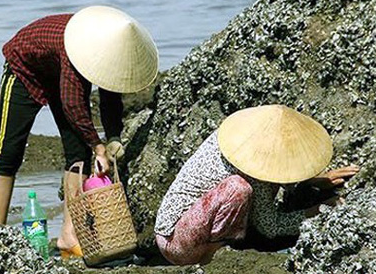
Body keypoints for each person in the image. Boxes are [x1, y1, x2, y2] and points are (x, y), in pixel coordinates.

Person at [0, 5, 158, 258]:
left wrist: (113, 138)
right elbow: (72, 105)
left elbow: (110, 100)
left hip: (55, 70)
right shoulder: (77, 47)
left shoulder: (107, 53)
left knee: (78, 153)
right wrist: (98, 147)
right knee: (9, 152)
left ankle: (69, 236)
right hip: (24, 71)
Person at [154, 104, 359, 265]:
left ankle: (223, 244)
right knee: (238, 188)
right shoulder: (250, 167)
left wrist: (311, 180)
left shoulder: (237, 140)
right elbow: (271, 226)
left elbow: (278, 170)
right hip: (178, 244)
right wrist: (316, 211)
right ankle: (213, 255)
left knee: (242, 190)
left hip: (180, 229)